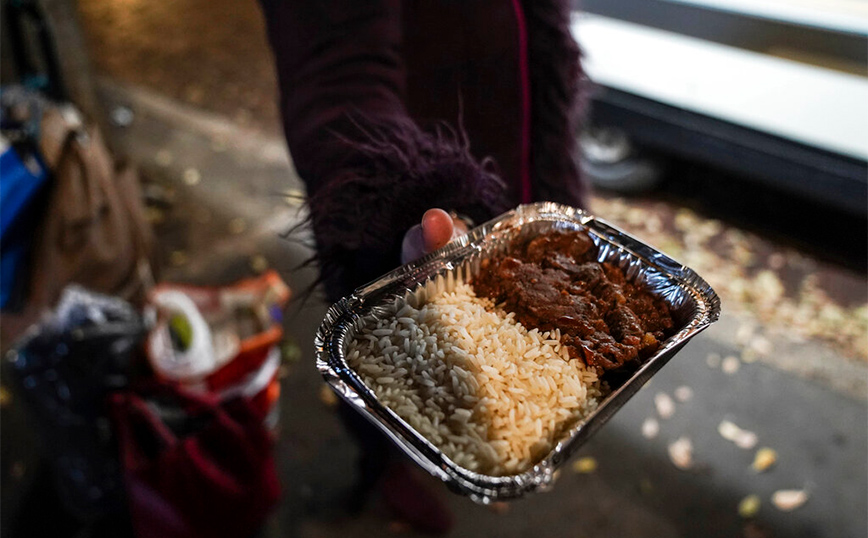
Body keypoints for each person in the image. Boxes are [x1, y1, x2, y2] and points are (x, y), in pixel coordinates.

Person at [259, 0, 589, 532]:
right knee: (396, 381)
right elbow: (334, 78)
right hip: (414, 213)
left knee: (496, 384)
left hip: (513, 182)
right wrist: (396, 198)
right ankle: (384, 469)